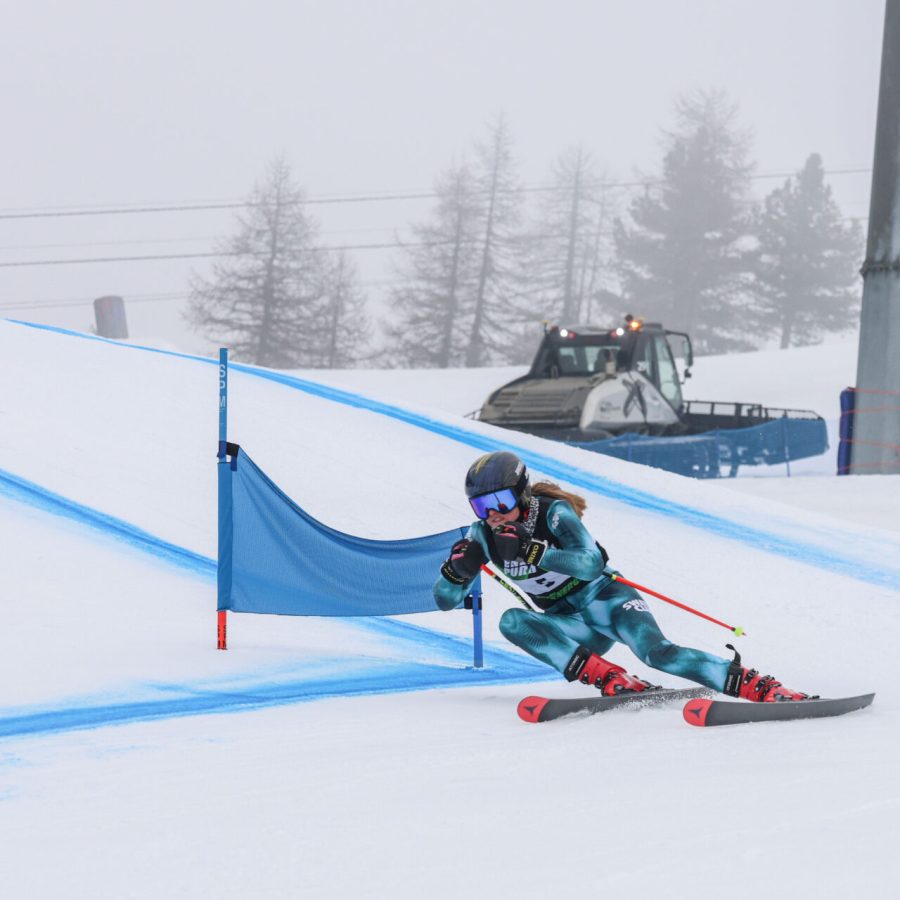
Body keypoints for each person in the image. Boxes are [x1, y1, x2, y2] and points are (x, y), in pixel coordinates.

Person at [433, 450, 809, 702]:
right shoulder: (481, 534)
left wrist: (534, 550)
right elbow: (445, 601)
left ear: (522, 494)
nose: (492, 514)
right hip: (570, 624)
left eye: (501, 502)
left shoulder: (552, 513)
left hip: (608, 602)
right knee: (513, 621)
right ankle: (611, 678)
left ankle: (757, 686)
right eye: (481, 505)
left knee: (656, 653)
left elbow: (589, 563)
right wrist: (456, 572)